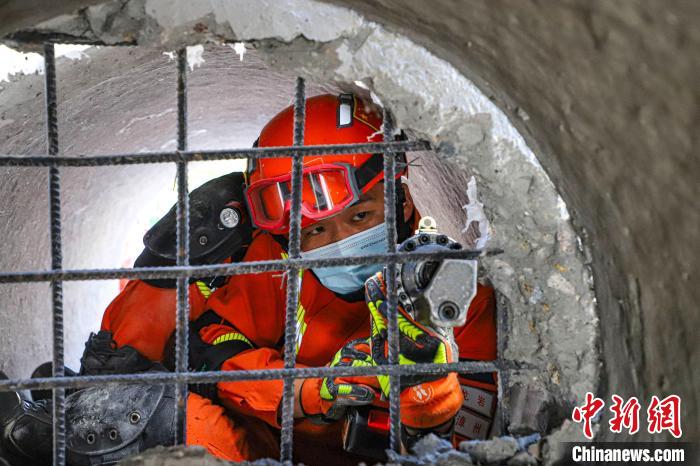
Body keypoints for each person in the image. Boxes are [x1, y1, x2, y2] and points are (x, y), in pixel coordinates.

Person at [0, 94, 496, 465]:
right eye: (315, 230)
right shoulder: (273, 266)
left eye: (361, 217)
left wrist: (423, 387)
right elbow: (209, 344)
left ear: (403, 202)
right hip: (264, 448)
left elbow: (461, 438)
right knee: (150, 413)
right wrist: (314, 390)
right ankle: (66, 414)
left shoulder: (451, 294)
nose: (338, 242)